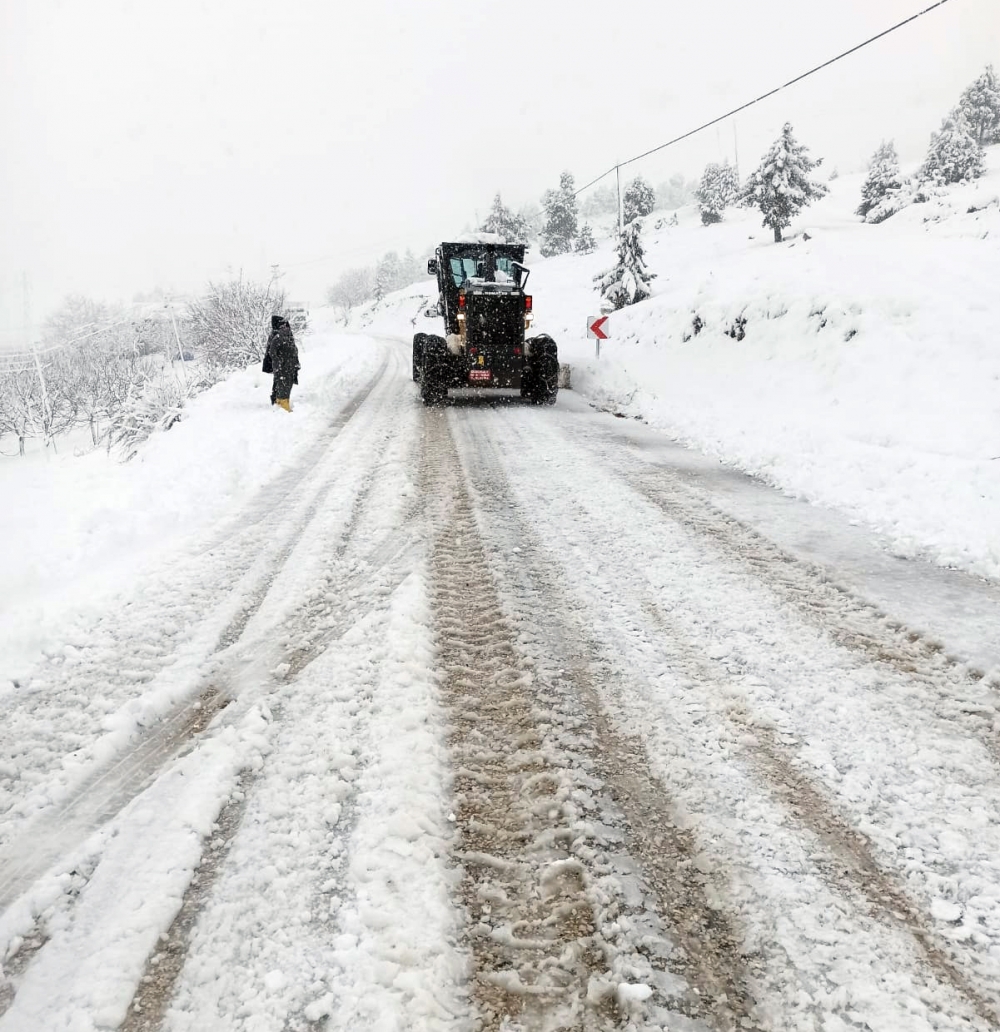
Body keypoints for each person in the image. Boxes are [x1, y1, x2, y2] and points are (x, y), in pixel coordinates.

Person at [263, 315, 299, 411]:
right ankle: (280, 403)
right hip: (283, 365)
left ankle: (278, 402)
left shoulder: (278, 334)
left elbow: (271, 351)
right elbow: (272, 352)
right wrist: (279, 362)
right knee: (282, 384)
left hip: (282, 365)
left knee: (280, 383)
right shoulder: (278, 335)